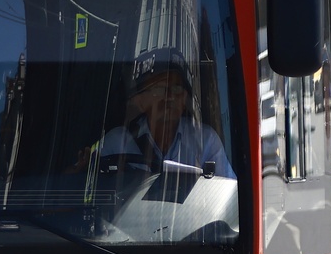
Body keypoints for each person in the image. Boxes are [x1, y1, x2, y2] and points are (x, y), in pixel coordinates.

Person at [96, 51, 234, 179]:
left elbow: (228, 195)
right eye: (160, 88)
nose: (169, 97)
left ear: (185, 100)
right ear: (142, 100)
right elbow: (89, 189)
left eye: (177, 88)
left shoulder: (206, 142)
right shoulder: (117, 142)